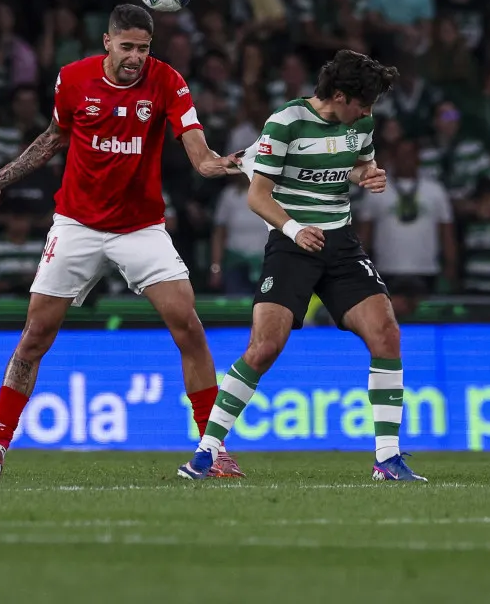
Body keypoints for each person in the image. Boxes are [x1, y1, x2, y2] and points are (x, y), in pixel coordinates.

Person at [0, 4, 243, 478]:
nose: (135, 57)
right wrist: (0, 178)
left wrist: (230, 163)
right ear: (107, 42)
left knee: (187, 326)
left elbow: (201, 156)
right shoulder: (72, 79)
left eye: (143, 48)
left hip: (141, 228)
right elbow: (52, 138)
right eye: (127, 46)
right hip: (76, 225)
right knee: (35, 335)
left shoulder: (168, 81)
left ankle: (213, 450)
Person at [177, 49, 428, 483]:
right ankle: (206, 450)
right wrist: (294, 230)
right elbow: (258, 195)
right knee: (264, 348)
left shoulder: (360, 123)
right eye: (363, 103)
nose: (368, 113)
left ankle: (387, 459)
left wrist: (368, 175)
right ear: (339, 94)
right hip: (293, 243)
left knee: (387, 334)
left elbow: (356, 162)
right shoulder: (286, 122)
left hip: (341, 243)